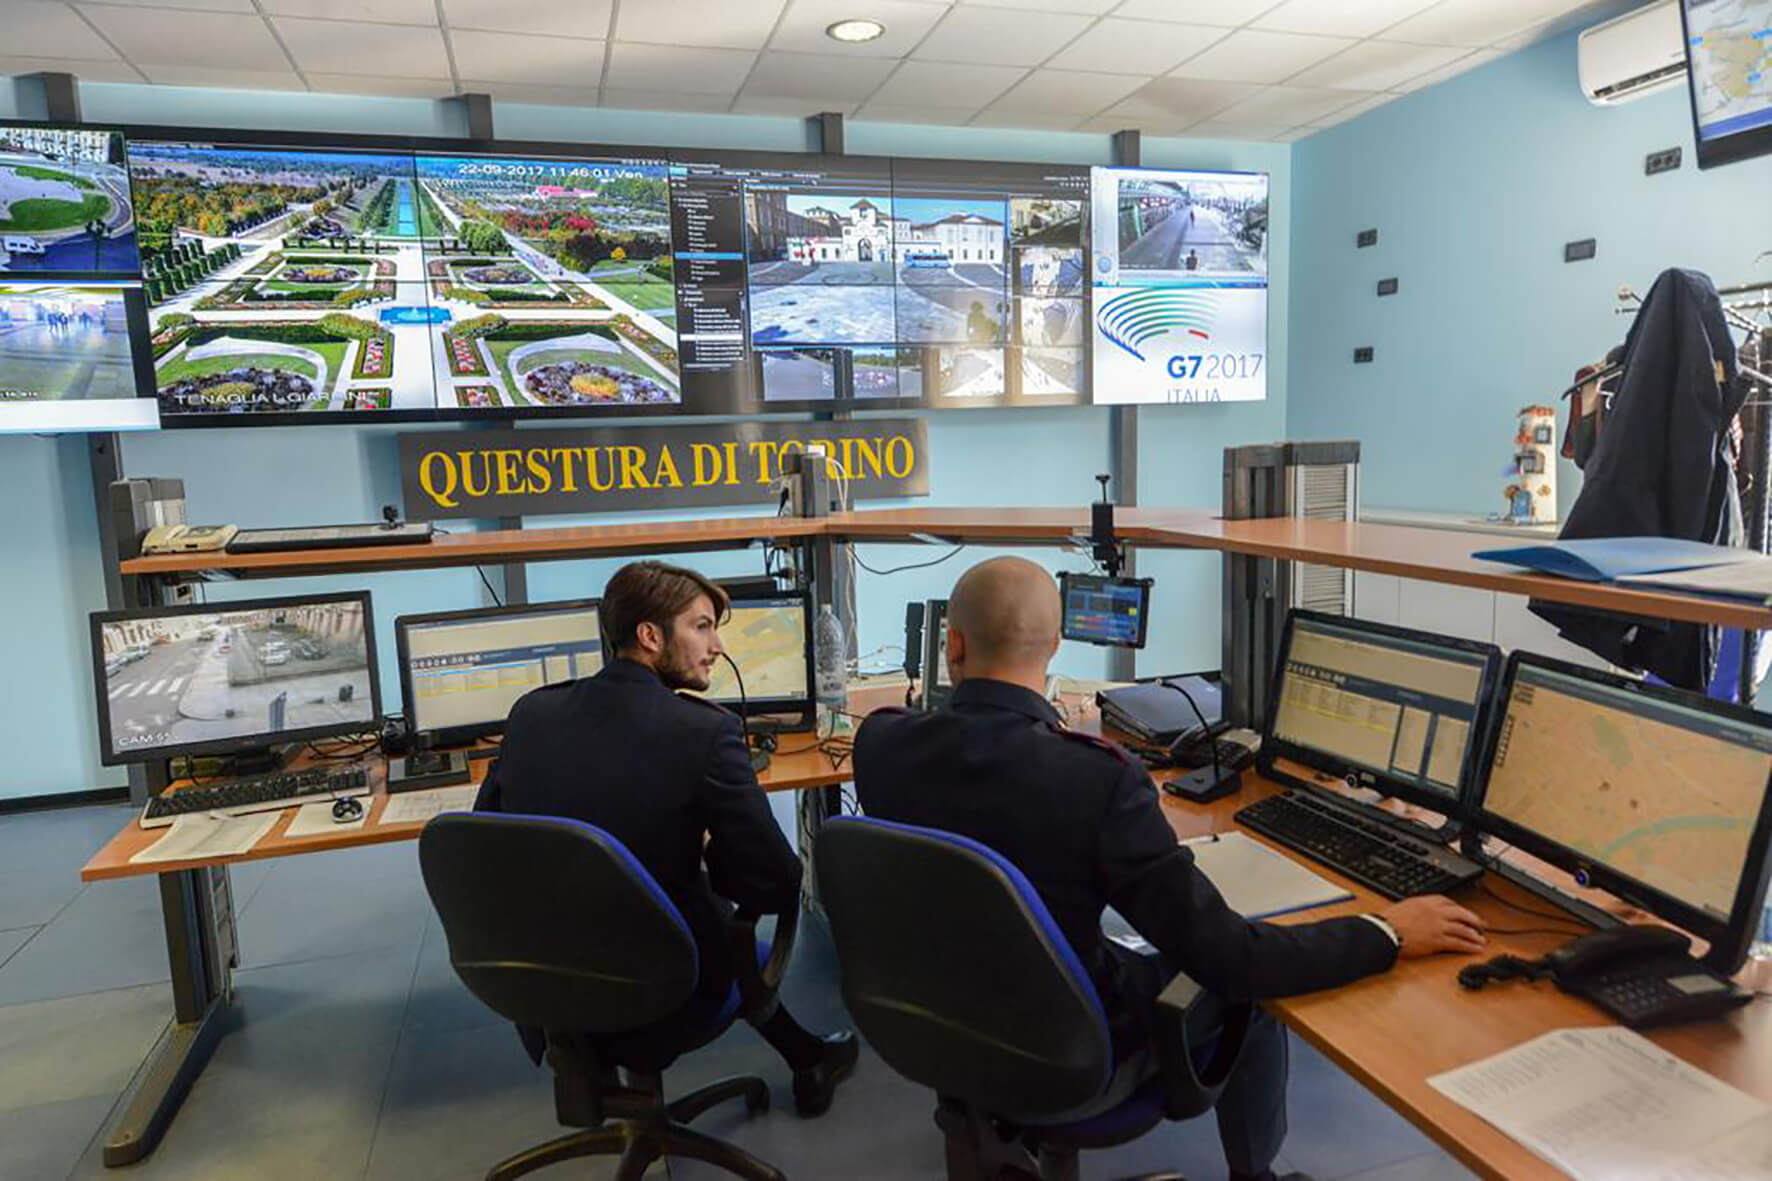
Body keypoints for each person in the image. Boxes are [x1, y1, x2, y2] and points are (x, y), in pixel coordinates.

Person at [854, 557, 1488, 1181]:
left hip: (938, 1032)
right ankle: (1255, 1174)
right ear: (1053, 646)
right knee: (1253, 991)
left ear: (952, 644)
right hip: (1078, 1057)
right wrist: (1388, 932)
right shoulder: (1097, 780)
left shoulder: (880, 747)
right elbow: (1232, 959)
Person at [475, 560, 859, 1115]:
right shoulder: (704, 732)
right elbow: (777, 881)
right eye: (701, 626)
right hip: (664, 991)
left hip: (543, 986)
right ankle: (808, 1058)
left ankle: (806, 1055)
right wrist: (710, 859)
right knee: (725, 929)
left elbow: (493, 836)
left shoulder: (531, 713)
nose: (719, 645)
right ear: (650, 636)